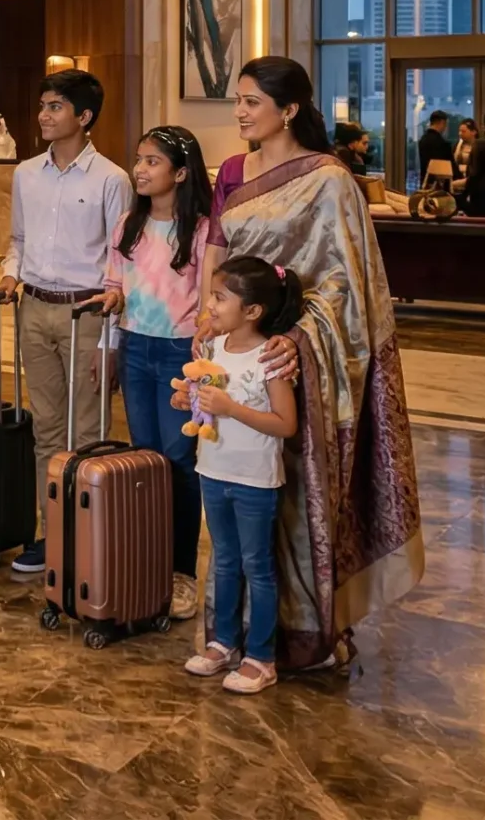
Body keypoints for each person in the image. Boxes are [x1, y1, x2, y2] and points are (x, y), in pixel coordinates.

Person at [186, 55, 422, 670]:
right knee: (229, 489)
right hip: (234, 349)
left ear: (288, 110)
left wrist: (303, 335)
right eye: (236, 100)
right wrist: (207, 321)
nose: (238, 112)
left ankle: (294, 636)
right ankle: (227, 632)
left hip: (296, 360)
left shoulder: (328, 178)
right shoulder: (233, 170)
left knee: (289, 497)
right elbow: (220, 253)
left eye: (250, 103)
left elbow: (347, 282)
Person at [0, 70, 131, 578]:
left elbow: (121, 259)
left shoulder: (111, 179)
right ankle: (51, 535)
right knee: (46, 427)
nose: (44, 115)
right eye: (43, 105)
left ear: (83, 116)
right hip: (34, 308)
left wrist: (111, 339)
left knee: (88, 428)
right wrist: (10, 277)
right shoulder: (26, 173)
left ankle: (90, 537)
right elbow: (19, 241)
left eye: (54, 107)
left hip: (87, 313)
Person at [95, 124, 210, 619]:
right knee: (145, 460)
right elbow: (112, 282)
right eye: (138, 159)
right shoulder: (127, 224)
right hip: (136, 347)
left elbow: (209, 302)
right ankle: (149, 563)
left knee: (180, 462)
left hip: (180, 352)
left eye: (152, 162)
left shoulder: (203, 230)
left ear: (181, 174)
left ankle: (181, 570)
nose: (139, 170)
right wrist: (111, 341)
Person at [180, 255, 302, 696]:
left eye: (219, 298)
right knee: (224, 561)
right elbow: (205, 402)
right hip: (212, 469)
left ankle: (262, 656)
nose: (210, 305)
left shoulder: (268, 358)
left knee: (257, 566)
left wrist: (231, 408)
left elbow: (285, 424)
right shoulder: (212, 350)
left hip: (254, 479)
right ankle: (223, 642)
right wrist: (191, 403)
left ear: (253, 311)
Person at [414, 111, 453, 186]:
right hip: (440, 185)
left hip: (425, 182)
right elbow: (450, 167)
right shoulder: (443, 143)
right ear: (442, 122)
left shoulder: (423, 140)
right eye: (445, 125)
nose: (445, 128)